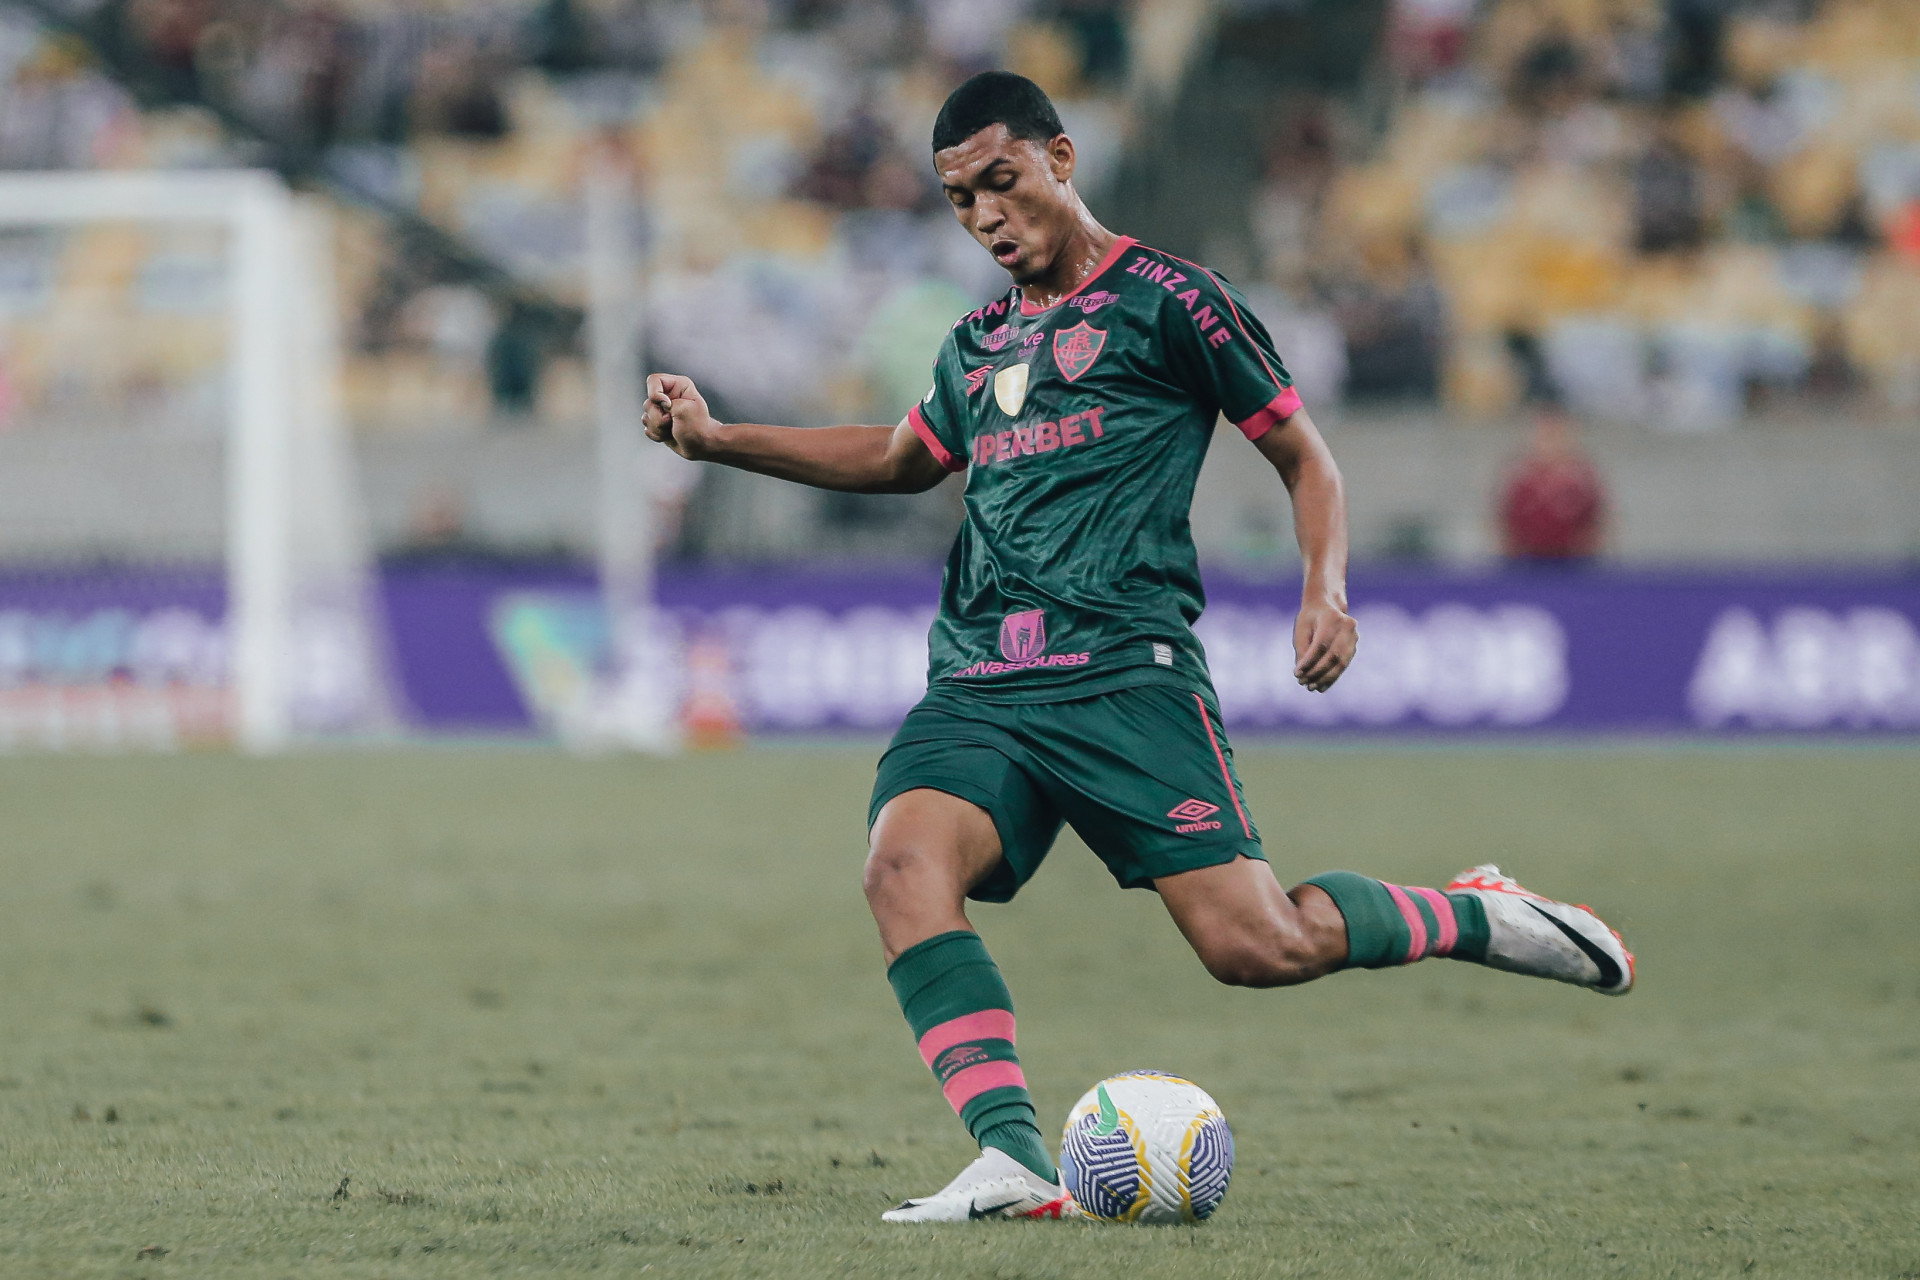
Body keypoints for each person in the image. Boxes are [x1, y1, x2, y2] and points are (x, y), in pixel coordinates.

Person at [641, 72, 1635, 1224]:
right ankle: (1013, 1156)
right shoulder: (978, 341)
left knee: (1257, 945)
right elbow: (903, 457)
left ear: (1060, 158)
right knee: (901, 867)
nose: (986, 216)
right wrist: (718, 438)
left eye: (1002, 181)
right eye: (961, 199)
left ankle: (1474, 910)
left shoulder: (1174, 301)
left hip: (1124, 671)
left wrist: (1325, 588)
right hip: (983, 678)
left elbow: (1305, 456)